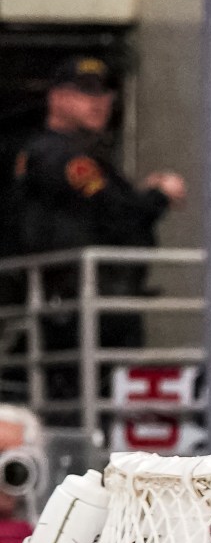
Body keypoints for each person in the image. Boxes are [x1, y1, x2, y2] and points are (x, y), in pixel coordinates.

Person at [11, 57, 184, 408]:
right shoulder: (59, 155)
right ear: (57, 99)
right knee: (83, 407)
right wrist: (158, 195)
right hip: (79, 312)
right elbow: (119, 215)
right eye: (84, 93)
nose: (99, 102)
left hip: (94, 308)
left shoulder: (75, 154)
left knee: (103, 406)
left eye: (104, 94)